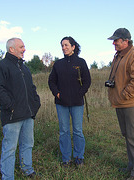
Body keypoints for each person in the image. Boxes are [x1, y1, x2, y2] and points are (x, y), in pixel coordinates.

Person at [0, 38, 41, 179]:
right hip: (12, 116)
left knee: (28, 144)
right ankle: (7, 176)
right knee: (10, 148)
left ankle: (27, 169)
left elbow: (31, 88)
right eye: (21, 47)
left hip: (28, 114)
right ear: (11, 49)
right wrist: (10, 106)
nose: (24, 49)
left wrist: (36, 103)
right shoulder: (0, 66)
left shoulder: (25, 68)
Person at [106, 28, 134, 180]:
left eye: (116, 40)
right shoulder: (119, 56)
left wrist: (124, 95)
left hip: (131, 104)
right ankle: (132, 166)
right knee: (128, 136)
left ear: (126, 41)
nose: (114, 43)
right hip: (121, 103)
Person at [48, 36, 91, 168]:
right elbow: (51, 81)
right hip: (61, 103)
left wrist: (79, 93)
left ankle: (79, 157)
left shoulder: (81, 62)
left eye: (66, 45)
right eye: (62, 45)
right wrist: (57, 93)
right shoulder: (58, 64)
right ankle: (66, 158)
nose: (64, 48)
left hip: (77, 103)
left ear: (73, 46)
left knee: (77, 130)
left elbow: (87, 81)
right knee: (64, 131)